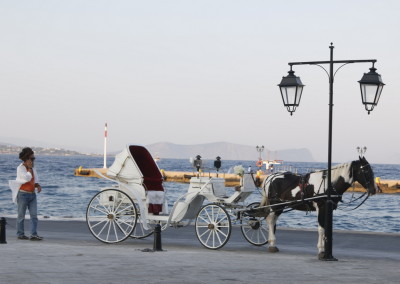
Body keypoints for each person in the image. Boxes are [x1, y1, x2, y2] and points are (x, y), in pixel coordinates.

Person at [9, 147, 43, 240]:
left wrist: (37, 185)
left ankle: (33, 234)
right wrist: (29, 169)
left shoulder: (33, 168)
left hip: (32, 194)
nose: (32, 161)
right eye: (31, 159)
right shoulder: (21, 168)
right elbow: (26, 179)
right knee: (21, 215)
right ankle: (20, 234)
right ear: (26, 159)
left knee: (34, 216)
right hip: (23, 194)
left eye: (33, 159)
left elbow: (34, 179)